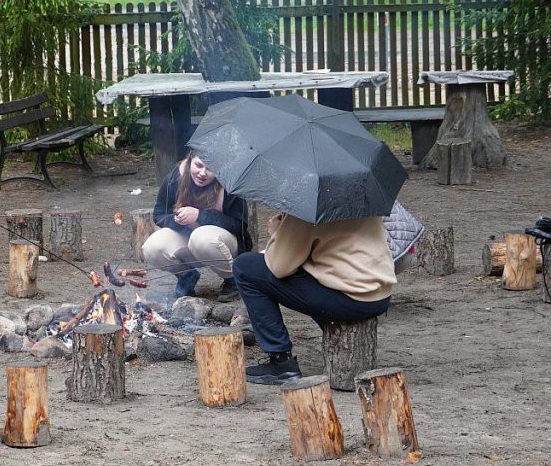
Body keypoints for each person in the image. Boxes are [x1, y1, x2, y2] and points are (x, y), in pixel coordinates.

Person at [232, 212, 396, 385]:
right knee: (308, 270)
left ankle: (281, 362)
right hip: (380, 294)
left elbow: (279, 266)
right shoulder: (359, 195)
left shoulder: (307, 207)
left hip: (350, 298)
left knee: (245, 266)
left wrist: (277, 233)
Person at [142, 151, 253, 300]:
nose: (202, 173)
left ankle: (232, 280)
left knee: (200, 237)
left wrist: (199, 215)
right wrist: (177, 220)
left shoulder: (229, 185)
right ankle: (186, 275)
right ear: (189, 161)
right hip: (188, 240)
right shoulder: (174, 180)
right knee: (151, 247)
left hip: (223, 245)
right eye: (198, 165)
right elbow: (159, 214)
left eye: (210, 169)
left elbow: (239, 225)